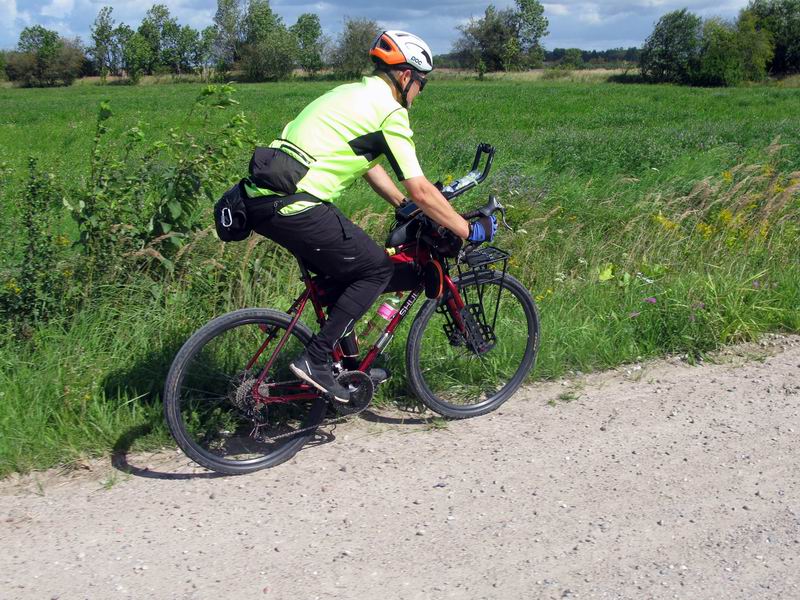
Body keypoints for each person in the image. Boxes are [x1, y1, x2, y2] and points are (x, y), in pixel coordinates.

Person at [243, 30, 497, 403]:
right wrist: (467, 229)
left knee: (345, 274)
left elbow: (368, 165)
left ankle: (345, 368)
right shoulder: (390, 111)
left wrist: (401, 205)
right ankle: (315, 360)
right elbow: (422, 189)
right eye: (421, 84)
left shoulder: (349, 94)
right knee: (376, 269)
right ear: (407, 76)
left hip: (263, 200)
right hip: (299, 206)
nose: (419, 94)